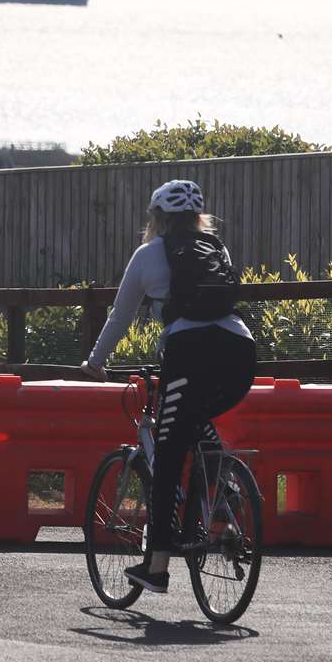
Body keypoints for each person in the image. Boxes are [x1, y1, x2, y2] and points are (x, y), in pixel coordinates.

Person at [79, 180, 257, 594]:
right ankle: (222, 496)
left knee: (169, 452)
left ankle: (156, 567)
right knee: (197, 422)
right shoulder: (217, 248)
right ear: (199, 218)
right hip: (239, 354)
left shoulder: (147, 254)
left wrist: (95, 363)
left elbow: (120, 317)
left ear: (156, 219)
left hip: (190, 354)